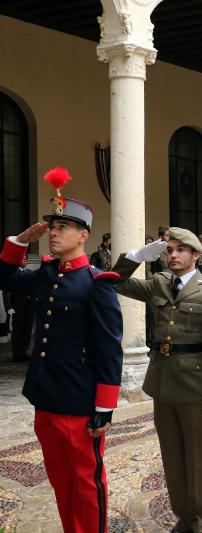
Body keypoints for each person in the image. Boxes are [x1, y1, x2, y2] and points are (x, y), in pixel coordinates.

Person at [0, 168, 123, 533]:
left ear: (83, 235)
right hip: (45, 396)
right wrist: (20, 241)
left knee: (86, 483)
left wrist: (104, 407)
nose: (53, 233)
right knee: (59, 479)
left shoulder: (97, 283)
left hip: (79, 402)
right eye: (51, 227)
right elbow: (5, 278)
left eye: (62, 228)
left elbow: (109, 349)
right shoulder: (47, 274)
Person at [113, 228, 202, 533]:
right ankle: (184, 516)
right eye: (170, 250)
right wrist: (134, 257)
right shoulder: (159, 283)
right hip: (163, 381)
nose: (174, 255)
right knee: (171, 453)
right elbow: (116, 282)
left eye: (181, 250)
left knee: (198, 455)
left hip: (196, 385)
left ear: (196, 255)